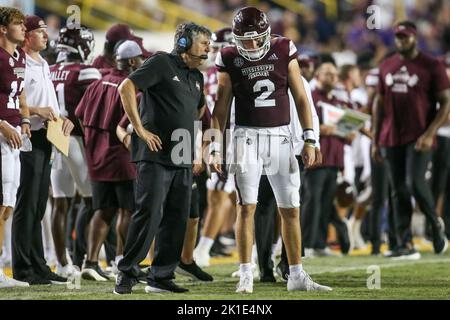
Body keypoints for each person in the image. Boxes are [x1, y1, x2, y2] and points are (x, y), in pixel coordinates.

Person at [209, 7, 331, 293]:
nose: (250, 46)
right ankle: (245, 273)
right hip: (246, 138)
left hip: (281, 136)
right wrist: (215, 146)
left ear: (266, 34)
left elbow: (300, 96)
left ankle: (296, 275)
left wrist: (310, 138)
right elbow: (221, 105)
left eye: (256, 39)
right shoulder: (227, 55)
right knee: (246, 206)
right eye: (245, 40)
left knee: (291, 207)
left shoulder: (284, 47)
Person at [113, 22, 211, 295]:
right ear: (183, 44)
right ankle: (127, 271)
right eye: (203, 43)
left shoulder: (196, 77)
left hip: (181, 156)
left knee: (176, 218)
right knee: (149, 213)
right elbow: (126, 87)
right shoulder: (160, 63)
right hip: (154, 156)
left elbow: (197, 112)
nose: (208, 48)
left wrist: (196, 150)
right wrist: (140, 129)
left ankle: (161, 276)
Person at [372, 21, 450, 259]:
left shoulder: (432, 65)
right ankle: (404, 244)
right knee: (397, 191)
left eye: (405, 37)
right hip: (390, 136)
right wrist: (376, 139)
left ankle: (435, 223)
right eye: (397, 37)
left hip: (419, 136)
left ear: (415, 38)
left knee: (415, 183)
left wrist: (430, 133)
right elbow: (378, 102)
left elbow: (446, 101)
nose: (400, 41)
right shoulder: (386, 65)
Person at [11, 15, 74, 285]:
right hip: (29, 135)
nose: (46, 36)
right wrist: (38, 111)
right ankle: (23, 267)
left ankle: (38, 264)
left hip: (47, 136)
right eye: (40, 31)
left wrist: (62, 117)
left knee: (38, 204)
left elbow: (46, 99)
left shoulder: (44, 63)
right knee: (27, 202)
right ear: (26, 35)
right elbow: (14, 100)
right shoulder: (20, 62)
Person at [75, 40, 142, 281]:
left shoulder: (95, 84)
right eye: (141, 59)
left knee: (102, 209)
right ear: (132, 61)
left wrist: (93, 141)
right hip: (121, 157)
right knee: (128, 210)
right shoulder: (130, 87)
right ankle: (120, 262)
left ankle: (90, 261)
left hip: (95, 156)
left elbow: (80, 115)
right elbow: (130, 126)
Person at [49, 25, 102, 277]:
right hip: (77, 140)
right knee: (93, 201)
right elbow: (94, 108)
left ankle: (62, 262)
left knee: (61, 202)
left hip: (54, 137)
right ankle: (87, 258)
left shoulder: (50, 69)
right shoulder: (85, 70)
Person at [193, 27, 236, 267]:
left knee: (220, 193)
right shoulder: (209, 73)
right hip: (209, 136)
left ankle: (205, 247)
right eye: (215, 48)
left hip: (228, 137)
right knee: (216, 194)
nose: (217, 52)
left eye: (222, 48)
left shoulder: (236, 72)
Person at [0, 6, 30, 289]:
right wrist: (3, 124)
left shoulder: (19, 56)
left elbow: (19, 93)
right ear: (2, 28)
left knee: (8, 203)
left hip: (14, 137)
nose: (23, 28)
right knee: (2, 203)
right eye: (18, 24)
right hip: (1, 135)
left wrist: (23, 120)